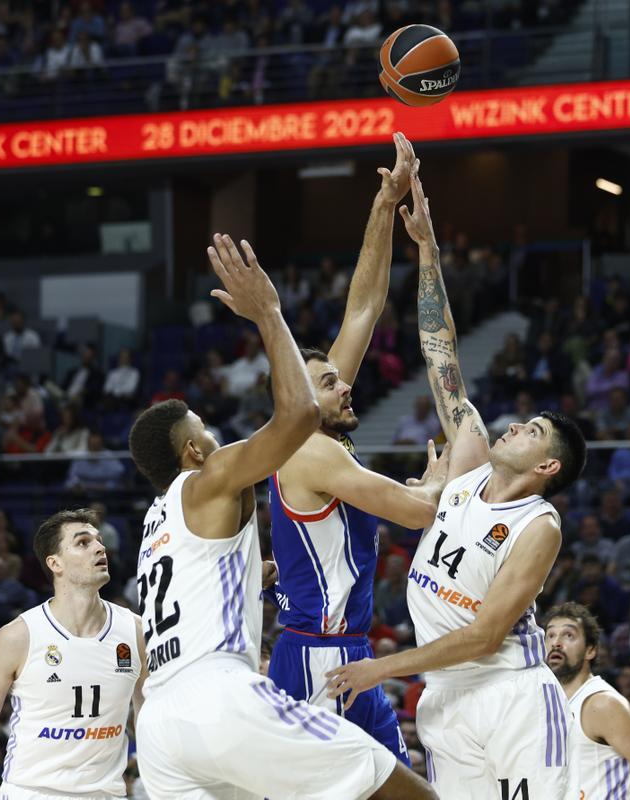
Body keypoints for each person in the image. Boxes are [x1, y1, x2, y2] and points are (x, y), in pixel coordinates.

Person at [128, 235, 431, 798]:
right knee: (410, 791)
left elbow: (362, 311)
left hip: (162, 722)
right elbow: (299, 414)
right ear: (192, 452)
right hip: (261, 677)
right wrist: (268, 311)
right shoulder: (215, 475)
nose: (218, 438)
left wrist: (382, 209)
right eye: (206, 431)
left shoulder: (158, 522)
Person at [324, 162, 587, 798]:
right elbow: (440, 349)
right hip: (443, 698)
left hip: (509, 696)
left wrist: (380, 668)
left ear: (546, 468)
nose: (514, 428)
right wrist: (429, 250)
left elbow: (486, 634)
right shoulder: (467, 464)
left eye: (531, 432)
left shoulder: (538, 524)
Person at [265, 134, 446, 766]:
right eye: (328, 382)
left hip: (345, 649)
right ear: (299, 397)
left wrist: (383, 200)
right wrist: (438, 480)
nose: (346, 385)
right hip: (321, 654)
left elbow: (364, 307)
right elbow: (420, 514)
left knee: (401, 784)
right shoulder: (311, 452)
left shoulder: (314, 432)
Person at [0, 509, 145, 799]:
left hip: (105, 793)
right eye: (83, 542)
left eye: (99, 541)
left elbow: (149, 723)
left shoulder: (135, 631)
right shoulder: (16, 637)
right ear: (55, 563)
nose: (100, 547)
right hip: (31, 792)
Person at [543, 602, 630, 800]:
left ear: (590, 650)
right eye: (550, 635)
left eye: (568, 635)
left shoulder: (601, 703)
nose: (556, 643)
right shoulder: (547, 705)